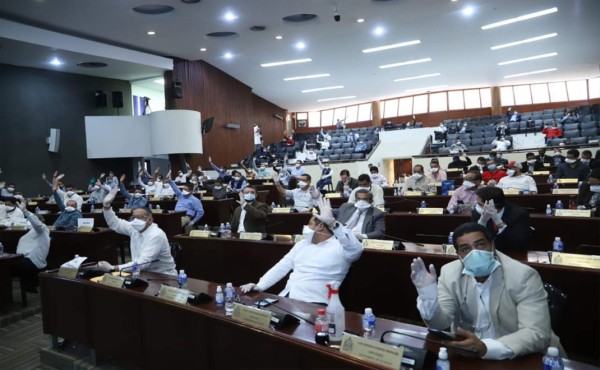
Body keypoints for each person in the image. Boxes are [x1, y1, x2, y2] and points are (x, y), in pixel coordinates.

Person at [410, 222, 562, 360]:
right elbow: (439, 323)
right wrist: (428, 294)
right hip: (470, 354)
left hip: (523, 355)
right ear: (459, 255)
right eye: (465, 249)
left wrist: (486, 348)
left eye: (480, 245)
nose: (474, 252)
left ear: (493, 246)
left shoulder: (523, 275)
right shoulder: (450, 273)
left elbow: (536, 333)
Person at [239, 197, 362, 304]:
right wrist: (260, 286)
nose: (306, 227)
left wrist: (332, 223)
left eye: (309, 224)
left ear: (320, 226)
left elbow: (356, 249)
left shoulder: (340, 247)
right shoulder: (302, 244)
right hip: (286, 298)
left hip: (315, 303)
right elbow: (281, 267)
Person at [97, 189, 176, 275]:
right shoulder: (134, 228)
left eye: (140, 217)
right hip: (140, 273)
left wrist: (113, 268)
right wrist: (106, 206)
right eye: (134, 217)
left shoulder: (156, 235)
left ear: (150, 220)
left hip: (163, 276)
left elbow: (142, 263)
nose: (135, 220)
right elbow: (115, 224)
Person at [471, 187, 531, 252]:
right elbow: (474, 239)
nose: (477, 206)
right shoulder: (477, 212)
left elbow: (518, 243)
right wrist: (482, 224)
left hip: (510, 253)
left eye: (480, 204)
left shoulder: (518, 214)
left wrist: (499, 224)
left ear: (492, 205)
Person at [12, 201, 50, 293]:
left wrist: (25, 211)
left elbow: (37, 224)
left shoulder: (42, 228)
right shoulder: (31, 231)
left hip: (32, 260)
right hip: (24, 258)